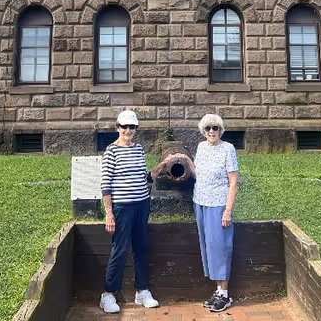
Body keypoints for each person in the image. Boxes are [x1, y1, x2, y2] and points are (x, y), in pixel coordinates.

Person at [99, 109, 169, 314]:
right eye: (124, 126)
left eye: (132, 127)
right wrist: (109, 213)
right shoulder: (111, 151)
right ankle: (108, 294)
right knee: (119, 250)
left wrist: (158, 169)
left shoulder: (138, 149)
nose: (128, 130)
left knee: (141, 248)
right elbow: (106, 184)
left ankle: (142, 290)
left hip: (142, 205)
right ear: (117, 128)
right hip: (122, 207)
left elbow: (143, 178)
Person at [179, 113, 239, 313]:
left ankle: (225, 293)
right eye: (208, 129)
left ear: (221, 130)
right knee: (208, 247)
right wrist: (185, 160)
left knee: (219, 247)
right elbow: (199, 173)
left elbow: (233, 182)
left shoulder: (228, 149)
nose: (211, 132)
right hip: (201, 203)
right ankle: (217, 290)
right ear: (203, 131)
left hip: (218, 205)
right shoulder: (201, 147)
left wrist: (228, 210)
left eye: (215, 128)